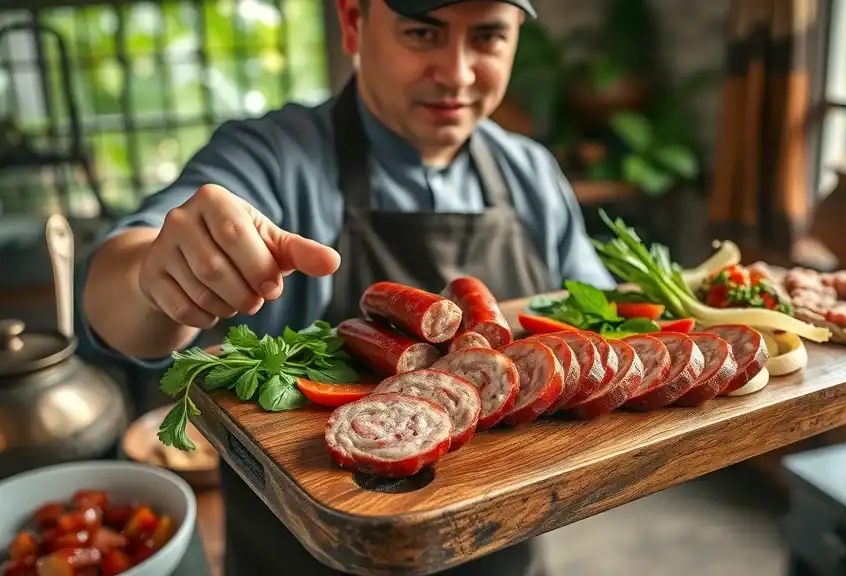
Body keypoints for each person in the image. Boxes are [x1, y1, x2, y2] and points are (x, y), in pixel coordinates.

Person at [80, 0, 615, 573]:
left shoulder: (531, 173)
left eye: (486, 38)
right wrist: (157, 274)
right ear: (354, 24)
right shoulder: (270, 159)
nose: (457, 73)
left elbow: (595, 335)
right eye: (421, 32)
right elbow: (122, 301)